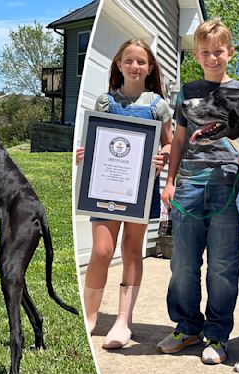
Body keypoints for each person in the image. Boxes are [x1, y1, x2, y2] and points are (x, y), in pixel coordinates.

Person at [157, 19, 239, 364]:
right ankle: (187, 326)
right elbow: (178, 140)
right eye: (206, 52)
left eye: (219, 52)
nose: (213, 58)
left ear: (230, 53)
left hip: (226, 183)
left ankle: (217, 335)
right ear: (197, 55)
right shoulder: (189, 91)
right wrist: (169, 181)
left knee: (223, 265)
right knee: (182, 262)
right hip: (189, 185)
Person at [76, 38, 173, 349]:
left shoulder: (157, 105)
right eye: (129, 60)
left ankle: (122, 321)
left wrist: (164, 156)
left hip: (140, 191)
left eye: (141, 62)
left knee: (132, 250)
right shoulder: (105, 102)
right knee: (102, 250)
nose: (135, 66)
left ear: (150, 68)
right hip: (105, 188)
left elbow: (170, 144)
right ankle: (90, 315)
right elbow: (96, 142)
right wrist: (85, 155)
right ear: (119, 64)